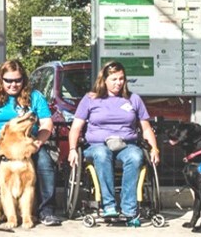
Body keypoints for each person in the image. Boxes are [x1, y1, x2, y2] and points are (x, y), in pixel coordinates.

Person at [0, 59, 60, 229]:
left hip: (27, 143)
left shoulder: (35, 97)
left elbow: (47, 124)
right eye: (8, 80)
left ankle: (47, 211)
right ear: (0, 79)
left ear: (23, 79)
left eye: (17, 80)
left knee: (45, 163)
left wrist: (38, 142)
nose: (13, 84)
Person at [67, 61, 160, 227]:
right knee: (103, 154)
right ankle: (108, 205)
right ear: (104, 80)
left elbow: (146, 128)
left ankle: (129, 208)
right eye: (114, 79)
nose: (119, 83)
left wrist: (154, 148)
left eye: (121, 79)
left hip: (126, 144)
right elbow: (75, 127)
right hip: (97, 145)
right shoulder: (90, 99)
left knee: (135, 155)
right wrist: (73, 149)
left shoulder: (133, 99)